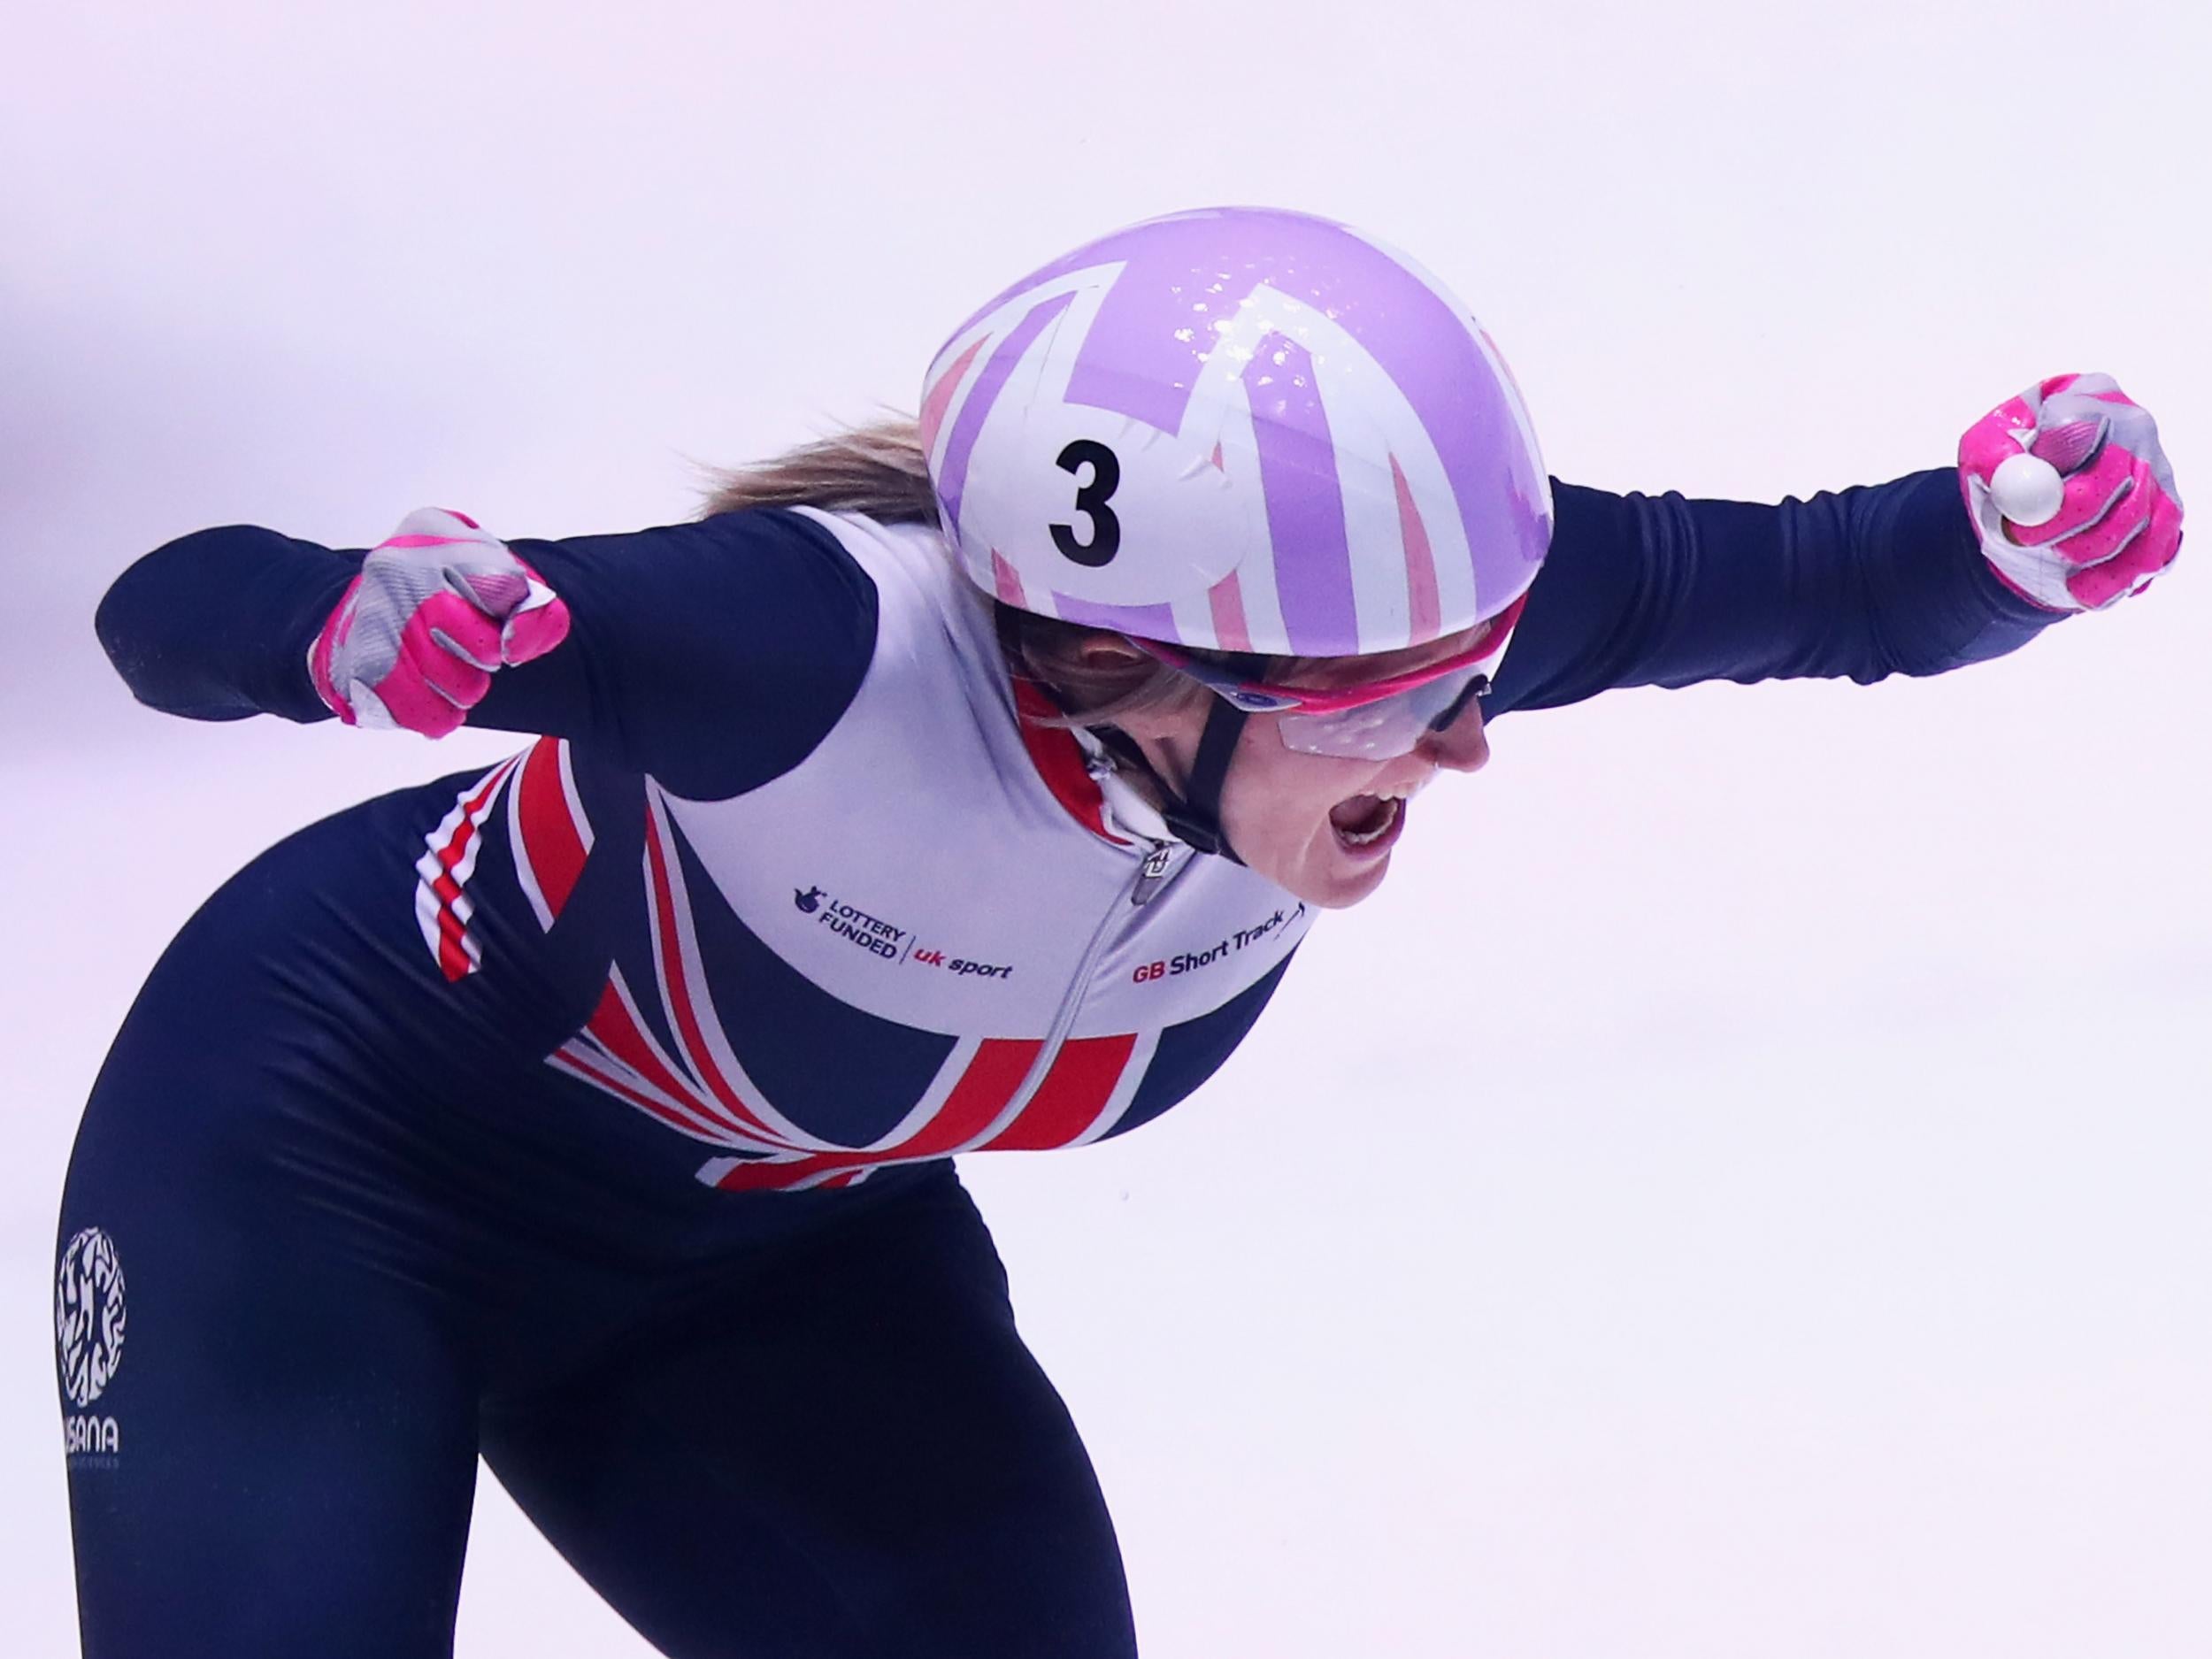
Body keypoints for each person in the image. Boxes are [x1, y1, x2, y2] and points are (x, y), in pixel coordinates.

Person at [56, 205, 2180, 1658]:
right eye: (1373, 697)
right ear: (1114, 664)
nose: (1449, 742)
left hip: (763, 1254)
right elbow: (167, 604)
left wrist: (2018, 541)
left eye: (1468, 669)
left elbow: (1828, 580)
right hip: (320, 1185)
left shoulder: (1370, 614)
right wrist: (339, 619)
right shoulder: (801, 648)